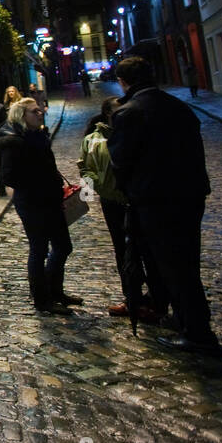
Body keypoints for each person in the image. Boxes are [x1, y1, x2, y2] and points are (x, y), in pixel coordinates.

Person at [108, 56, 220, 356]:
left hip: (156, 200)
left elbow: (120, 161)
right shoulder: (180, 107)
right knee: (186, 262)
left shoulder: (129, 113)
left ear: (123, 81)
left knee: (174, 266)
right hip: (191, 196)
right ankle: (189, 321)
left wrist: (129, 191)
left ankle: (197, 333)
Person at [78, 98, 164, 323]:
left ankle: (158, 299)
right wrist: (102, 187)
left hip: (140, 199)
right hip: (112, 202)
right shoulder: (93, 139)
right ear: (107, 114)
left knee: (149, 249)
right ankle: (132, 298)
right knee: (122, 250)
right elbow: (85, 168)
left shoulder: (137, 133)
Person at [0, 97, 79, 315]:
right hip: (33, 203)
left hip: (51, 199)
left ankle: (55, 292)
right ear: (22, 116)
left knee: (63, 246)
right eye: (35, 111)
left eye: (40, 110)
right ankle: (43, 300)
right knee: (39, 249)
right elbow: (8, 177)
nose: (40, 113)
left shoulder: (38, 135)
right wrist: (39, 184)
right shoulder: (13, 142)